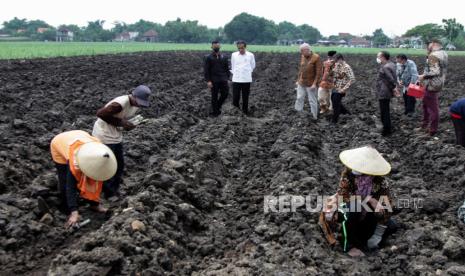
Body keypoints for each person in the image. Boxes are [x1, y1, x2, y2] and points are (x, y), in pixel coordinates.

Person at [319, 146, 394, 257]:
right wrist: (368, 199)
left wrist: (377, 234)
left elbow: (387, 204)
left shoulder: (380, 181)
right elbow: (343, 196)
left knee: (391, 225)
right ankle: (348, 245)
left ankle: (362, 239)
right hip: (347, 208)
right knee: (355, 207)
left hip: (366, 215)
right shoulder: (348, 175)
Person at [92, 85, 151, 197]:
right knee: (108, 164)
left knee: (119, 164)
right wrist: (122, 123)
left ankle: (114, 189)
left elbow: (121, 118)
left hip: (115, 134)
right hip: (104, 134)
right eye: (138, 101)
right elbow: (100, 114)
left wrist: (127, 124)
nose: (139, 104)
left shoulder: (135, 104)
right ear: (133, 96)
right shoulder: (119, 104)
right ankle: (108, 193)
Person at [50, 130, 117, 227]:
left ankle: (94, 205)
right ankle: (67, 210)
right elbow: (70, 187)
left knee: (94, 178)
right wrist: (74, 212)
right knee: (64, 181)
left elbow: (97, 181)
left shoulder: (101, 152)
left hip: (81, 136)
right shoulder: (75, 164)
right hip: (59, 143)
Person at [418, 39, 448, 136]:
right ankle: (425, 125)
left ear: (434, 44)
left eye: (429, 44)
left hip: (431, 84)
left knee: (433, 108)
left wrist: (423, 76)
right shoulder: (443, 53)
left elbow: (435, 72)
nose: (428, 46)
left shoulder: (433, 55)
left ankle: (432, 130)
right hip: (438, 82)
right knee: (425, 104)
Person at [295, 43, 322, 119]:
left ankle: (314, 117)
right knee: (299, 98)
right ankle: (298, 114)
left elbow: (319, 73)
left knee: (312, 101)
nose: (301, 53)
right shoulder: (303, 56)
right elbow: (301, 69)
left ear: (307, 50)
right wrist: (298, 80)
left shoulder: (316, 58)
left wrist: (314, 84)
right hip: (302, 82)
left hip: (311, 83)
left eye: (302, 51)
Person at [204, 40, 230, 117]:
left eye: (217, 45)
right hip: (214, 80)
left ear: (220, 46)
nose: (216, 47)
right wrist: (208, 81)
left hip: (223, 79)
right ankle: (215, 112)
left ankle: (217, 107)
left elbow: (226, 68)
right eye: (214, 45)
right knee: (214, 96)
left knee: (225, 94)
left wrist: (227, 78)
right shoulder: (208, 57)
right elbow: (206, 70)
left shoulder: (224, 57)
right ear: (212, 47)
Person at [376, 51, 398, 136]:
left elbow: (391, 79)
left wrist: (394, 88)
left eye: (378, 57)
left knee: (384, 111)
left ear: (383, 57)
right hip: (386, 90)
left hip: (384, 91)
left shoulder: (385, 67)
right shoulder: (392, 64)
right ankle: (386, 128)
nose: (377, 58)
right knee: (385, 110)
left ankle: (386, 130)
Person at [231, 40, 255, 115]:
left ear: (245, 47)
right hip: (236, 79)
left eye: (242, 48)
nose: (241, 50)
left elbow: (253, 66)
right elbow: (233, 65)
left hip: (246, 79)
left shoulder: (250, 55)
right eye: (239, 48)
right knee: (235, 96)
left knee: (245, 97)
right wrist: (236, 73)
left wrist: (247, 72)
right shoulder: (234, 55)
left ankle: (245, 112)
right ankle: (236, 111)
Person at [331, 53, 355, 123]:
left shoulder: (347, 67)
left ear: (340, 59)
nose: (334, 62)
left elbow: (352, 79)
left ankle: (334, 121)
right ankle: (347, 113)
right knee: (335, 101)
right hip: (335, 87)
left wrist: (344, 89)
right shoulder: (337, 65)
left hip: (341, 89)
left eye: (335, 60)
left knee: (336, 105)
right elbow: (334, 75)